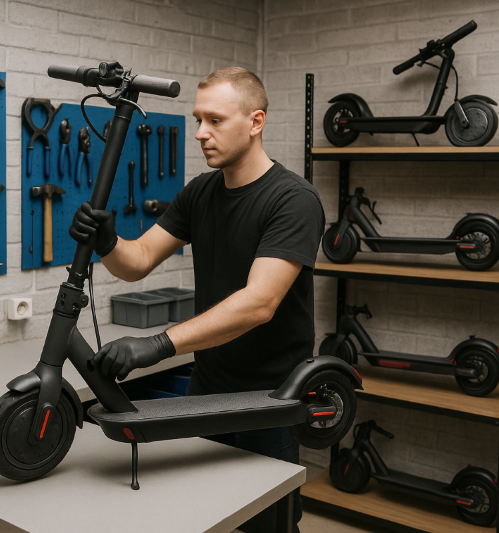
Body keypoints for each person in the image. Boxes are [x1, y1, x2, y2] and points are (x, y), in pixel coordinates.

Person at [69, 66, 324, 533]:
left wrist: (158, 344)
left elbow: (259, 303)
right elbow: (139, 259)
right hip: (205, 391)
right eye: (197, 120)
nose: (201, 134)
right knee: (202, 517)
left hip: (267, 399)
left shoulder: (293, 200)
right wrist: (108, 241)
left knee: (267, 524)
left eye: (215, 120)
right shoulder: (200, 192)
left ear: (255, 122)